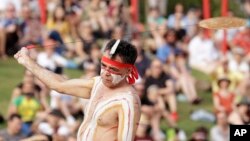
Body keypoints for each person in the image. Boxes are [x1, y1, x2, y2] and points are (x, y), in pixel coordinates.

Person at [14, 39, 141, 141]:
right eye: (103, 66)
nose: (106, 73)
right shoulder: (97, 84)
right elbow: (59, 85)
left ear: (128, 71)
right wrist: (27, 61)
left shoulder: (128, 102)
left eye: (113, 69)